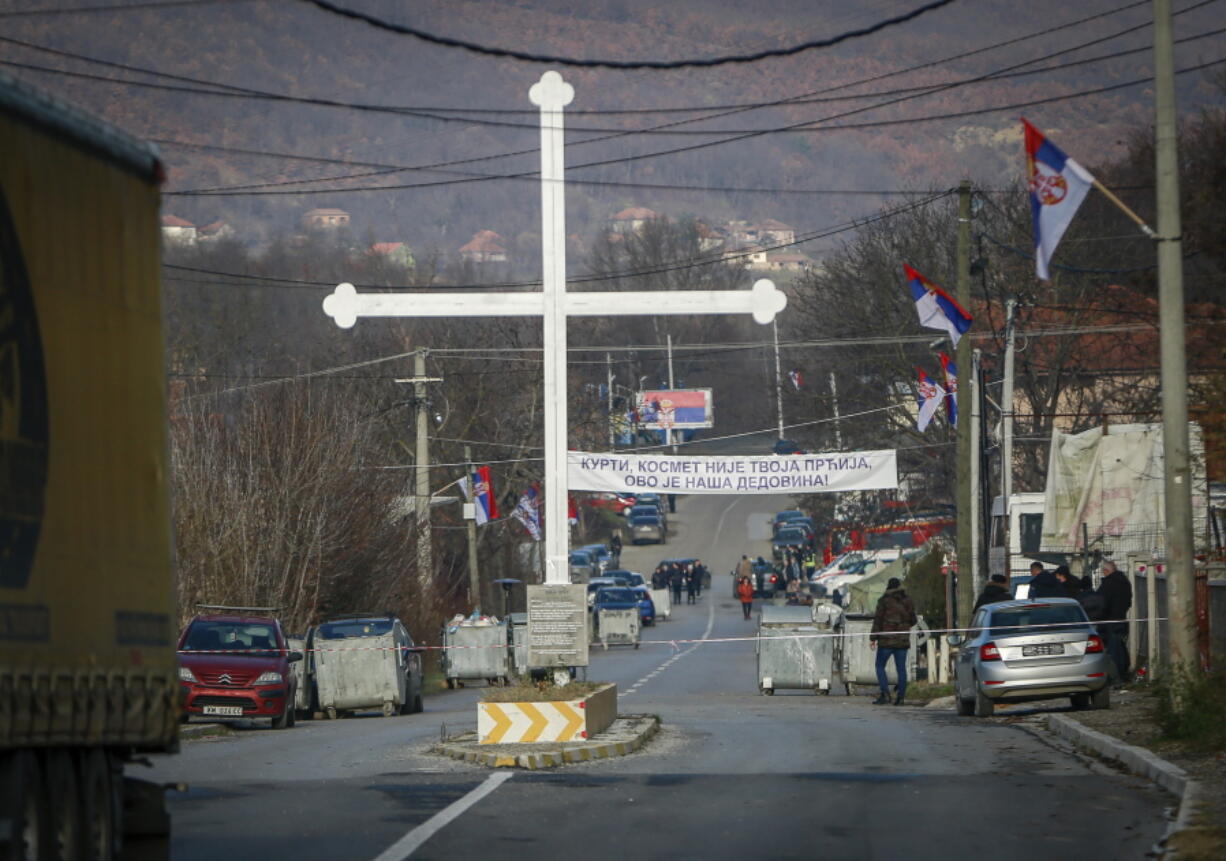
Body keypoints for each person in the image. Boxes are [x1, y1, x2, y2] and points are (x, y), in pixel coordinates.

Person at [870, 577, 917, 705]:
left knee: (880, 666)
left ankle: (885, 694)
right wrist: (903, 626)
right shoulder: (908, 601)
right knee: (901, 669)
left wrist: (873, 638)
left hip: (886, 640)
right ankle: (901, 698)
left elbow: (878, 621)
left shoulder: (884, 601)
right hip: (902, 640)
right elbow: (914, 620)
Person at [1097, 560, 1133, 684]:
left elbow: (1102, 603)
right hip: (1121, 617)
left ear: (1106, 571)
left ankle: (1116, 677)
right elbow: (1129, 601)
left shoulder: (1108, 584)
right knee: (1120, 646)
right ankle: (1123, 672)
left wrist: (1100, 615)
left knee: (1113, 650)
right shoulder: (1124, 582)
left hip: (1110, 619)